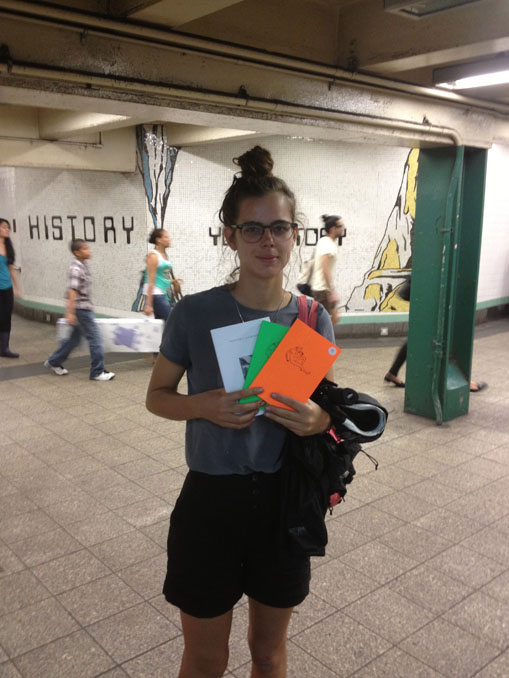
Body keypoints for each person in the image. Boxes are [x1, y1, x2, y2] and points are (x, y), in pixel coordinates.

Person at [146, 146, 335, 678]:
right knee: (206, 657)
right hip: (211, 502)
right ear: (230, 235)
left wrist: (319, 421)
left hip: (283, 504)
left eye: (279, 228)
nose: (267, 241)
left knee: (268, 653)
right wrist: (202, 405)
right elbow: (157, 395)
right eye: (252, 229)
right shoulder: (195, 313)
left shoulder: (310, 317)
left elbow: (328, 409)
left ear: (294, 235)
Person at [44, 239, 115, 381]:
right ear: (77, 252)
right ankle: (97, 372)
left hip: (83, 308)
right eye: (85, 249)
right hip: (81, 310)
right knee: (96, 339)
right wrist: (70, 312)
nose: (89, 251)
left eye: (88, 248)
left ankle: (54, 361)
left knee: (74, 340)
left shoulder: (83, 266)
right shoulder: (76, 269)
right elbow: (72, 291)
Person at [310, 214, 346, 325]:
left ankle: (317, 335)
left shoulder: (324, 241)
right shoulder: (328, 245)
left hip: (321, 289)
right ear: (332, 229)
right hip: (323, 290)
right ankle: (315, 336)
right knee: (330, 320)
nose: (343, 229)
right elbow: (324, 268)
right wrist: (331, 291)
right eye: (340, 226)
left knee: (325, 321)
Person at [143, 228, 181, 321]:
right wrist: (148, 305)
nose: (169, 239)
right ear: (158, 240)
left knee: (163, 324)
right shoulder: (153, 256)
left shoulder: (163, 255)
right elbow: (150, 280)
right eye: (166, 237)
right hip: (155, 294)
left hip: (161, 293)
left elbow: (160, 276)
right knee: (171, 322)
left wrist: (173, 282)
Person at [0, 218, 21, 358]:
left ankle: (5, 349)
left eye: (8, 227)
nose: (7, 229)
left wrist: (17, 287)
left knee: (6, 317)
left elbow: (11, 268)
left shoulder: (8, 246)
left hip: (6, 288)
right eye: (4, 227)